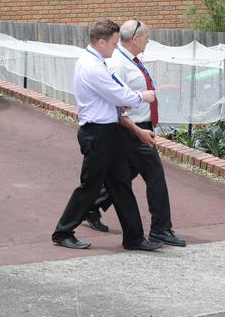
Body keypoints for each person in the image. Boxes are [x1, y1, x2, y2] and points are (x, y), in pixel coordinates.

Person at [51, 20, 162, 251]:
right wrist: (142, 97)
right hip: (98, 134)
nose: (115, 47)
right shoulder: (92, 67)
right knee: (90, 186)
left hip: (108, 133)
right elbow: (119, 94)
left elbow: (112, 94)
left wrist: (123, 103)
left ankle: (134, 238)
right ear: (101, 42)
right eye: (113, 43)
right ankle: (63, 232)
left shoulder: (97, 62)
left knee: (121, 185)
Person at [83, 20, 186, 247]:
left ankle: (91, 206)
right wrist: (138, 130)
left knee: (124, 175)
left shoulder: (132, 60)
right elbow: (116, 102)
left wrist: (155, 93)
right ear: (136, 39)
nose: (149, 39)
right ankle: (161, 229)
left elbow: (132, 92)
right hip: (132, 129)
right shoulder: (118, 63)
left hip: (139, 127)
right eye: (146, 36)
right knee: (155, 176)